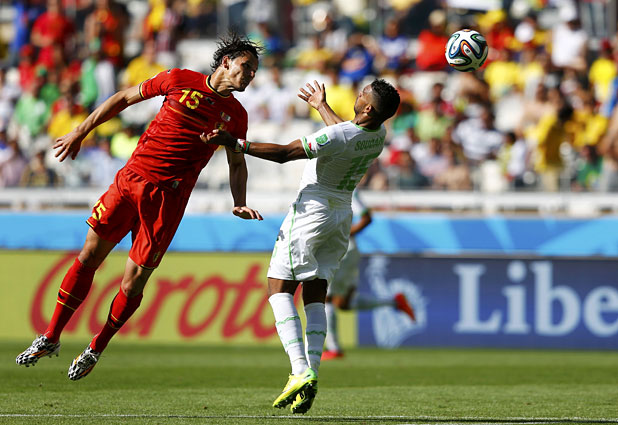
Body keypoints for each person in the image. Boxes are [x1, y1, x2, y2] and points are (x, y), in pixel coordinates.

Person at [16, 33, 264, 380]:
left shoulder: (236, 116)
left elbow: (237, 163)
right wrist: (80, 131)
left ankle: (96, 347)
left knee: (133, 284)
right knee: (89, 256)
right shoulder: (178, 79)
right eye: (246, 66)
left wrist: (240, 202)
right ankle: (51, 336)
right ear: (226, 62)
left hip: (167, 200)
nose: (250, 75)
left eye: (254, 71)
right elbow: (123, 98)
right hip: (130, 180)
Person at [202, 78, 401, 414]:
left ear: (367, 107)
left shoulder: (341, 135)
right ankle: (313, 373)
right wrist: (321, 105)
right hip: (341, 215)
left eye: (362, 93)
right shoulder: (378, 134)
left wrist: (234, 143)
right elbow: (343, 133)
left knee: (278, 287)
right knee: (315, 292)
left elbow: (284, 154)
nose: (357, 94)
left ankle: (299, 370)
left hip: (312, 211)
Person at [322, 189, 416, 360]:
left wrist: (343, 235)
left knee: (326, 298)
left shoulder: (348, 190)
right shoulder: (325, 187)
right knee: (343, 303)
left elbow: (367, 218)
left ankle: (334, 349)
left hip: (342, 251)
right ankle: (395, 302)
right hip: (339, 251)